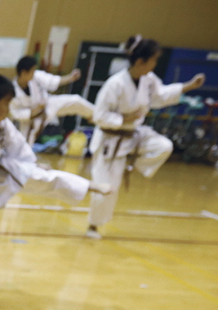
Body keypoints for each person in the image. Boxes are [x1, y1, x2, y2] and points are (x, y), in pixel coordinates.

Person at [0, 76, 112, 298]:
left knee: (41, 177)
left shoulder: (1, 123)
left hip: (1, 171)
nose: (9, 110)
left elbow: (17, 145)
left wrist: (33, 163)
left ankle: (88, 186)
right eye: (6, 104)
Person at [86, 36, 205, 238]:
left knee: (163, 146)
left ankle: (134, 166)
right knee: (106, 188)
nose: (155, 64)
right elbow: (99, 116)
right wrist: (123, 118)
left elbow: (161, 96)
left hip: (134, 134)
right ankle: (93, 226)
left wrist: (189, 86)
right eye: (153, 60)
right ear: (141, 61)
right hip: (110, 140)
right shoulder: (115, 84)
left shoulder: (148, 80)